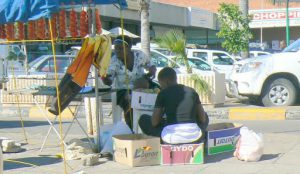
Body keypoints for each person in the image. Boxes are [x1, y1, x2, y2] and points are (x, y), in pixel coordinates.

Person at [138, 67, 209, 142]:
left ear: (166, 82)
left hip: (170, 137)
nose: (161, 87)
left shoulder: (163, 94)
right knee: (206, 116)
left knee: (143, 119)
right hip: (194, 136)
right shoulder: (192, 91)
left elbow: (154, 123)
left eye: (161, 84)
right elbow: (203, 119)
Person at [102, 35, 156, 130]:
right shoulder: (114, 61)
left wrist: (151, 70)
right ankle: (132, 129)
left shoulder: (139, 55)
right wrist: (105, 79)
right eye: (116, 48)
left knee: (157, 94)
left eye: (120, 48)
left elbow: (151, 66)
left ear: (128, 48)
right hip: (123, 91)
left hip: (141, 88)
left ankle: (152, 126)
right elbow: (109, 81)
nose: (117, 51)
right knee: (130, 100)